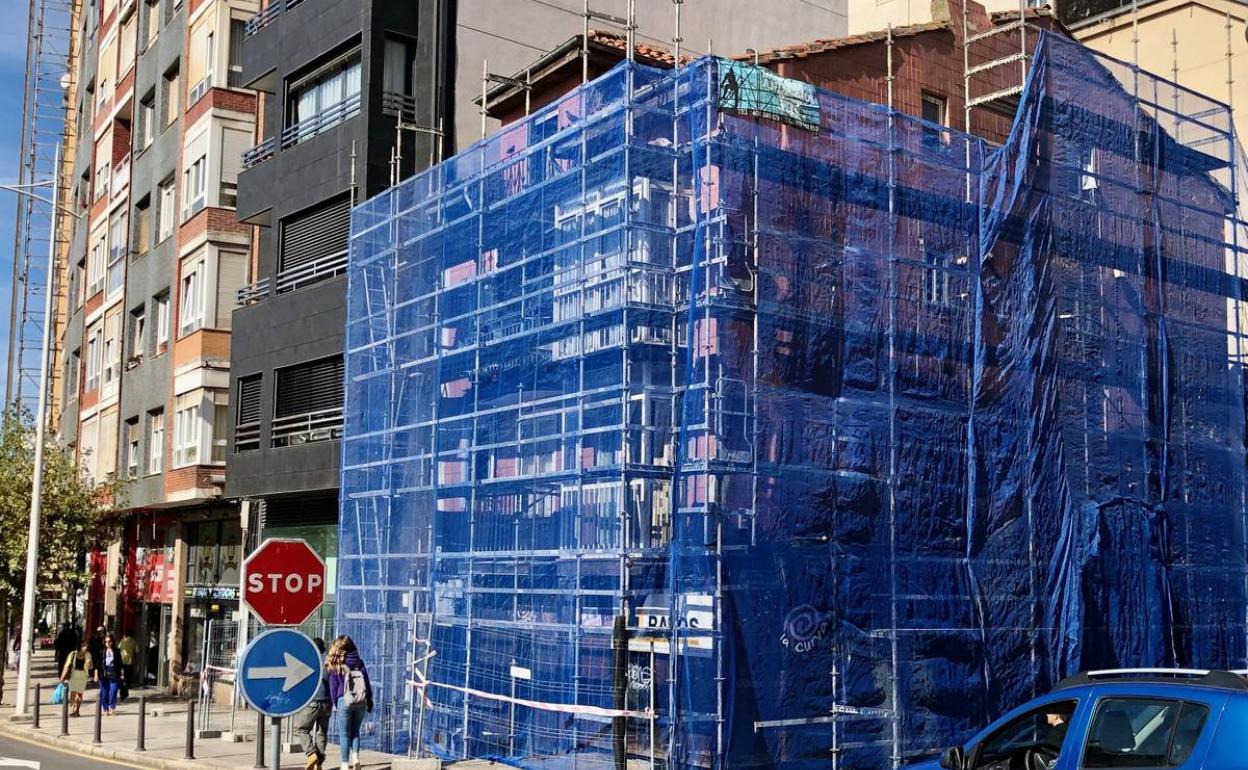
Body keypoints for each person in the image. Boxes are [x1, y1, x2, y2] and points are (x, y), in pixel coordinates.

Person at [326, 636, 373, 770]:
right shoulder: (360, 662)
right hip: (361, 700)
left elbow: (333, 686)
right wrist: (369, 700)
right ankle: (356, 758)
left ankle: (345, 764)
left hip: (344, 700)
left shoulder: (337, 663)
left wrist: (335, 702)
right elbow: (366, 683)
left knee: (344, 734)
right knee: (355, 731)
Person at [293, 638, 331, 770]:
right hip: (327, 702)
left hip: (312, 701)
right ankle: (319, 764)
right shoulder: (329, 661)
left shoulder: (308, 660)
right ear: (323, 648)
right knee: (322, 732)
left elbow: (299, 682)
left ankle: (311, 754)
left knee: (301, 729)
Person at [60, 640, 93, 717]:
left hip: (83, 675)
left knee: (80, 694)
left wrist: (90, 663)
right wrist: (62, 677)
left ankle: (77, 709)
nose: (85, 647)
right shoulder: (73, 654)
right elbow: (67, 666)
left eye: (86, 645)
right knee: (73, 693)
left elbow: (91, 667)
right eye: (83, 645)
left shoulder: (88, 654)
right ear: (79, 646)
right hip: (74, 674)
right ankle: (72, 710)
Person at [97, 633, 124, 715]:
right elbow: (97, 664)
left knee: (113, 690)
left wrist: (122, 674)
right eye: (106, 642)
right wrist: (95, 674)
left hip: (114, 672)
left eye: (109, 641)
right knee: (104, 692)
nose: (107, 643)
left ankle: (112, 707)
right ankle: (105, 709)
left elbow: (120, 663)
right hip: (103, 672)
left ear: (112, 642)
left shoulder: (117, 651)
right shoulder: (101, 651)